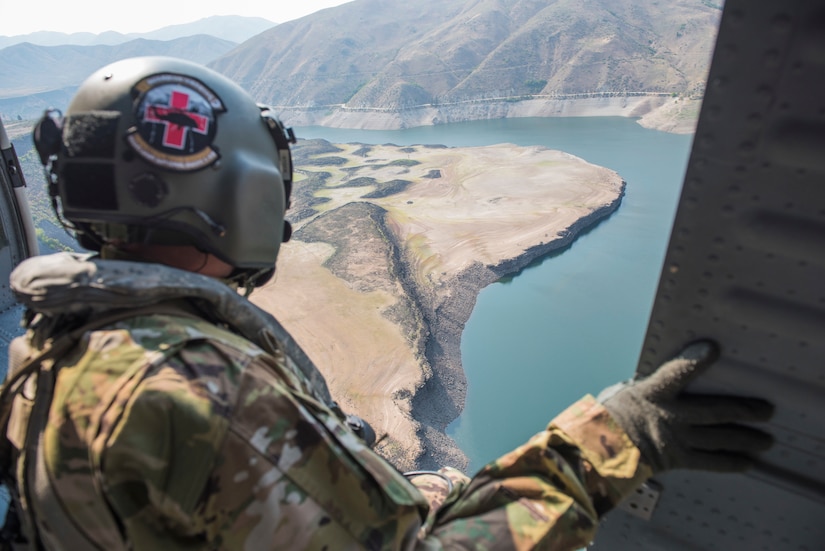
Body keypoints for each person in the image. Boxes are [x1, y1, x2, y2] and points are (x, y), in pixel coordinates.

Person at [0, 56, 774, 550]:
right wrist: (614, 438)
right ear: (246, 192)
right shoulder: (199, 388)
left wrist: (407, 492)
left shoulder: (52, 343)